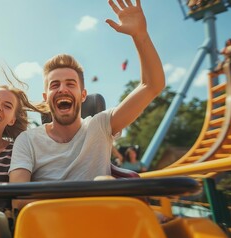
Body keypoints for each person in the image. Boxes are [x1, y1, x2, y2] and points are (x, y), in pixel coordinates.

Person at [9, 0, 165, 210]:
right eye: (55, 85)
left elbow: (152, 85)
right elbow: (19, 199)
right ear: (46, 97)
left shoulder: (100, 126)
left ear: (83, 95)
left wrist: (140, 36)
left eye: (70, 84)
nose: (63, 89)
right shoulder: (27, 140)